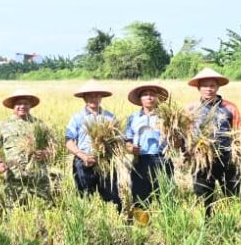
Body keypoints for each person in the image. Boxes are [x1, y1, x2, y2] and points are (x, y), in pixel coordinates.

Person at [186, 67, 241, 215]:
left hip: (227, 158)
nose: (208, 89)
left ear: (217, 87)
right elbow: (185, 134)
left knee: (232, 194)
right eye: (204, 86)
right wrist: (186, 151)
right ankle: (207, 224)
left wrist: (239, 151)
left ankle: (231, 222)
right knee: (203, 195)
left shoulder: (230, 108)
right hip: (201, 158)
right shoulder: (191, 108)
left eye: (212, 85)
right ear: (198, 88)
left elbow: (239, 132)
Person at [64, 80, 121, 210]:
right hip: (83, 162)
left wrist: (108, 153)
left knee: (112, 198)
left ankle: (113, 222)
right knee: (84, 198)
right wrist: (82, 156)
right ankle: (88, 224)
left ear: (101, 97)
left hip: (106, 162)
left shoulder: (110, 118)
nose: (93, 98)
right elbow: (68, 141)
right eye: (90, 95)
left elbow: (118, 141)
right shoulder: (77, 118)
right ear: (84, 98)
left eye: (96, 95)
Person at [0, 90, 53, 203]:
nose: (22, 106)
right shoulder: (4, 125)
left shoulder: (39, 124)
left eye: (26, 103)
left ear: (30, 105)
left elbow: (52, 148)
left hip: (38, 175)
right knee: (14, 207)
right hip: (14, 175)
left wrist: (45, 153)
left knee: (44, 205)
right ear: (13, 106)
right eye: (19, 103)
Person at [124, 84, 173, 223]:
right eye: (145, 94)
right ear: (140, 99)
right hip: (140, 160)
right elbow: (127, 141)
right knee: (140, 195)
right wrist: (130, 148)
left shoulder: (166, 117)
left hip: (162, 159)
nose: (149, 97)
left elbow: (176, 139)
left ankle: (166, 225)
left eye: (152, 94)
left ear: (157, 98)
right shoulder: (132, 118)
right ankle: (142, 225)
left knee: (165, 194)